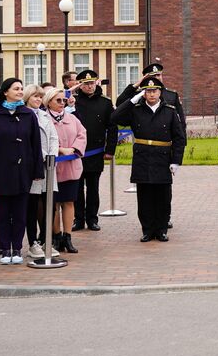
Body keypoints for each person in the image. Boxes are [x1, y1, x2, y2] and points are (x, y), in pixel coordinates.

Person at [0, 78, 44, 265]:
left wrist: (38, 169)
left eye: (22, 88)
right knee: (3, 212)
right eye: (16, 88)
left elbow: (35, 145)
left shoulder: (29, 115)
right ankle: (6, 248)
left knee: (21, 213)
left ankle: (17, 248)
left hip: (23, 171)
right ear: (5, 91)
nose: (20, 91)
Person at [112, 75, 186, 242]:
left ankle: (161, 229)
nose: (151, 94)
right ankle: (147, 229)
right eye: (147, 91)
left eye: (154, 91)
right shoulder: (136, 110)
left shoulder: (170, 111)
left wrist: (176, 161)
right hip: (143, 157)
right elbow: (115, 117)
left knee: (163, 196)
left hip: (163, 158)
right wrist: (132, 100)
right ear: (143, 93)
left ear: (160, 92)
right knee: (144, 196)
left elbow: (179, 137)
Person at [71, 69, 117, 231]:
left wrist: (110, 150)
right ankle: (78, 218)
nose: (89, 87)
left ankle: (92, 219)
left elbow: (112, 128)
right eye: (85, 84)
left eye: (91, 83)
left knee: (93, 187)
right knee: (77, 188)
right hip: (75, 153)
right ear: (80, 85)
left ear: (96, 83)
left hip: (95, 152)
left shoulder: (105, 103)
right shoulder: (73, 102)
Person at [48, 87, 87, 254]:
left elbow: (82, 134)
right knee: (54, 204)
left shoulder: (72, 118)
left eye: (64, 100)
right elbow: (43, 139)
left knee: (69, 201)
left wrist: (74, 149)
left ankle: (67, 236)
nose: (62, 103)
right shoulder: (43, 119)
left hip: (71, 168)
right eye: (58, 100)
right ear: (48, 101)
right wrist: (59, 149)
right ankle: (56, 237)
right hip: (52, 169)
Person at [23, 84, 60, 258]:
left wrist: (52, 155)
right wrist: (42, 155)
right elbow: (28, 140)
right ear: (27, 98)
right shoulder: (23, 115)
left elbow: (53, 137)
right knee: (32, 206)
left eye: (40, 97)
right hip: (33, 166)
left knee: (49, 205)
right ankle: (32, 243)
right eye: (34, 96)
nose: (38, 100)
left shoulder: (45, 115)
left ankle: (47, 240)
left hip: (49, 167)